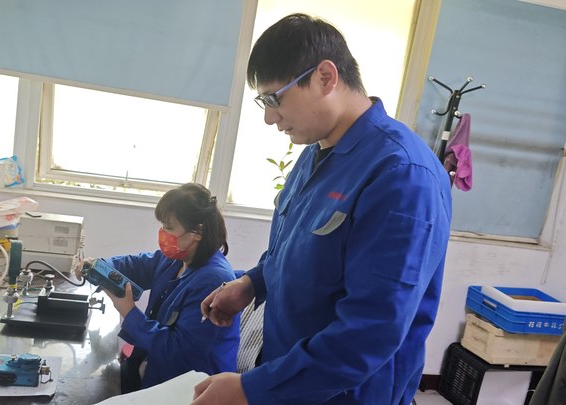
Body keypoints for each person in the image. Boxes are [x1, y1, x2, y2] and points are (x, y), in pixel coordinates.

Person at [193, 13, 452, 405]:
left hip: (346, 394)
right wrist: (252, 284)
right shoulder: (316, 152)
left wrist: (252, 389)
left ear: (326, 77)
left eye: (274, 99)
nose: (269, 117)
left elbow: (371, 330)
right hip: (291, 377)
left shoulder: (401, 175)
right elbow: (299, 248)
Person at [81, 182, 239, 393]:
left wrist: (129, 312)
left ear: (198, 231)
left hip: (192, 388)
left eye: (169, 228)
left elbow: (179, 352)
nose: (163, 233)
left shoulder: (212, 281)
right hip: (156, 368)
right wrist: (98, 266)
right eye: (163, 226)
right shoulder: (178, 258)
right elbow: (136, 265)